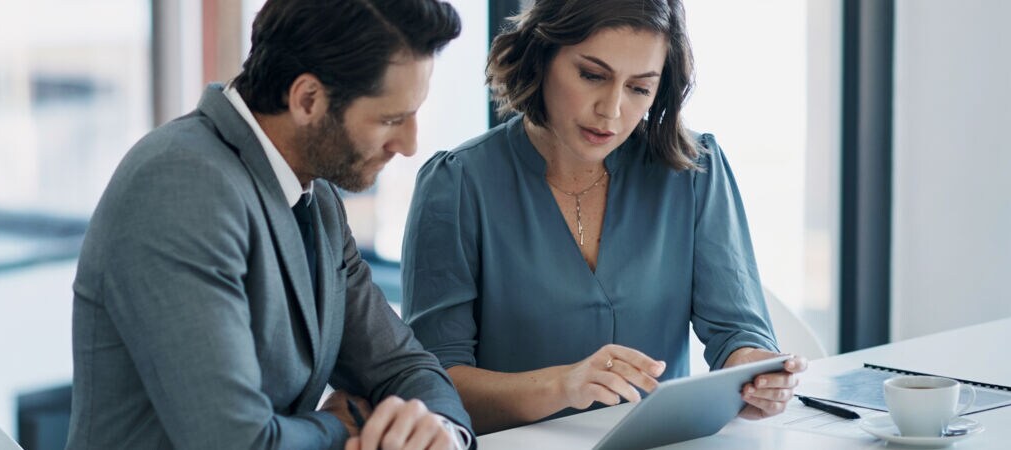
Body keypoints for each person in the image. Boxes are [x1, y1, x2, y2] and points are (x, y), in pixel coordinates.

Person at [66, 1, 475, 449]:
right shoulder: (180, 184)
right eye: (391, 119)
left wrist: (436, 432)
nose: (411, 144)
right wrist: (344, 426)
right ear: (307, 100)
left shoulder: (316, 200)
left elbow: (404, 366)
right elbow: (233, 440)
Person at [401, 0, 808, 434]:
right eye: (592, 75)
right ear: (542, 56)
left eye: (639, 88)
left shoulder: (694, 172)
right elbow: (434, 385)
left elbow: (738, 332)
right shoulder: (457, 184)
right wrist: (563, 385)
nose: (611, 111)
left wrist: (755, 373)